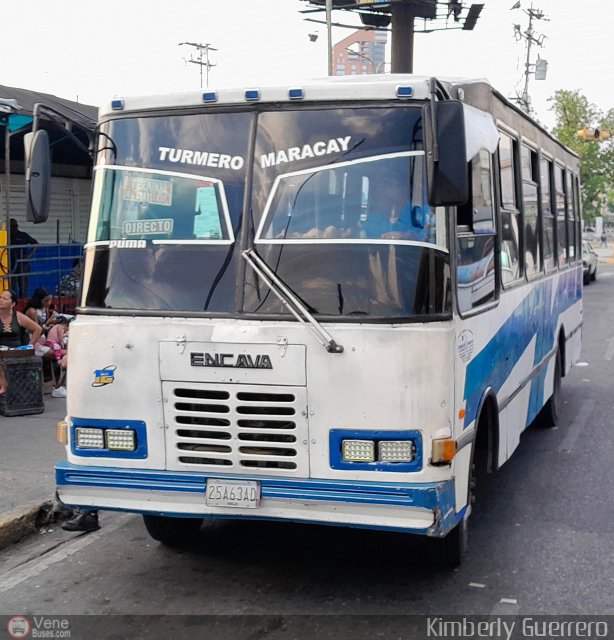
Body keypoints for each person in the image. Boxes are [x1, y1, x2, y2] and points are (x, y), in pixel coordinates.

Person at [24, 287, 65, 397]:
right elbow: (36, 331)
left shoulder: (45, 309)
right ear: (39, 300)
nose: (49, 303)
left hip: (42, 341)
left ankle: (57, 385)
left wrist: (52, 321)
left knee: (63, 352)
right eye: (46, 300)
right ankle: (57, 387)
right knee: (61, 355)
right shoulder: (32, 311)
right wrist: (48, 323)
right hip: (33, 343)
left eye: (50, 300)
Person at [9, 219, 39, 299]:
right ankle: (14, 305)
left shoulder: (23, 235)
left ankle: (24, 304)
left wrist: (29, 255)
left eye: (13, 227)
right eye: (10, 227)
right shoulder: (7, 236)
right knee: (12, 289)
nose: (12, 229)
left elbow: (36, 244)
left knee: (23, 289)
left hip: (22, 265)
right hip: (10, 265)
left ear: (16, 227)